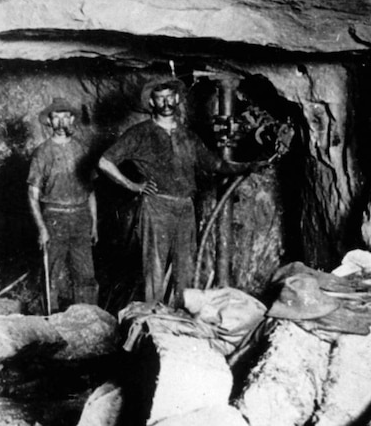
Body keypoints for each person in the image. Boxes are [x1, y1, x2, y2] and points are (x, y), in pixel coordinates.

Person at [98, 77, 252, 305]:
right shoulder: (140, 132)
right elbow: (104, 162)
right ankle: (153, 317)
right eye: (160, 98)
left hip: (185, 207)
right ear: (152, 102)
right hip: (157, 206)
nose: (166, 102)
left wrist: (248, 165)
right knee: (155, 269)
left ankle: (182, 318)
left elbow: (216, 164)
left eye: (170, 96)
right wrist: (133, 185)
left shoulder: (188, 136)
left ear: (177, 98)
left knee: (185, 268)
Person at [27, 97, 98, 312]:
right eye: (55, 117)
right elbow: (32, 194)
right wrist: (41, 228)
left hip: (80, 216)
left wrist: (94, 224)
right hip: (54, 217)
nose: (60, 122)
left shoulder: (83, 149)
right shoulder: (42, 152)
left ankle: (89, 319)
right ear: (49, 121)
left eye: (65, 116)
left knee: (85, 274)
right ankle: (52, 321)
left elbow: (91, 191)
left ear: (72, 119)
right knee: (52, 274)